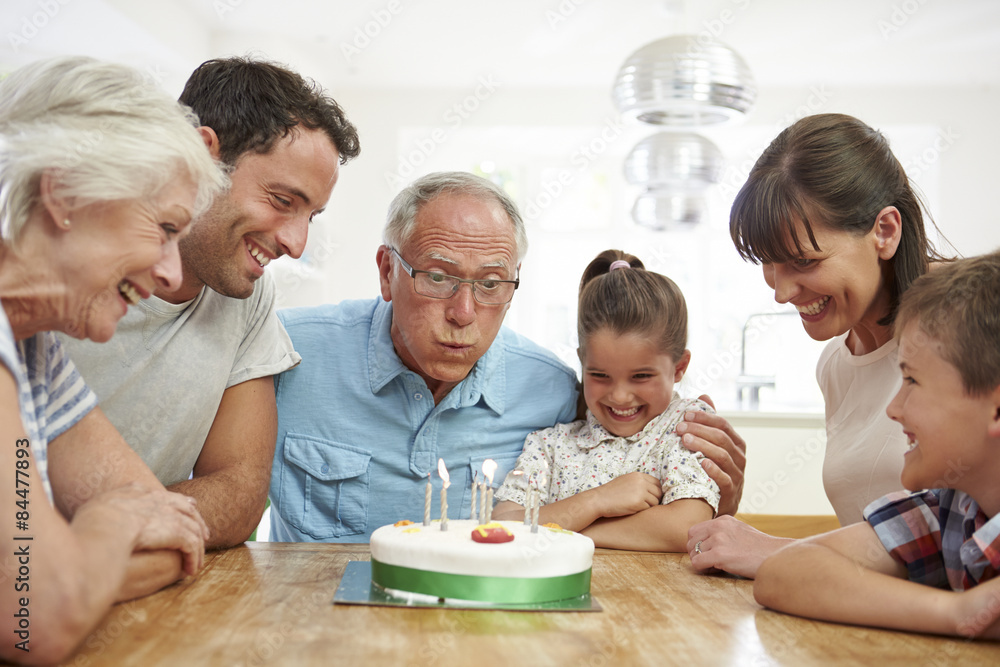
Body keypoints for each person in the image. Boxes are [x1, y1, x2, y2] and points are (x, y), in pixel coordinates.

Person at [58, 57, 360, 558]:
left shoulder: (246, 293)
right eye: (283, 199)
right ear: (201, 157)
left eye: (312, 214)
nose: (297, 244)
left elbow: (240, 496)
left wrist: (98, 545)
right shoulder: (46, 294)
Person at [0, 56, 224, 664]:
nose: (172, 271)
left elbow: (177, 536)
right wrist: (114, 522)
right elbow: (37, 618)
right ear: (65, 190)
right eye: (165, 228)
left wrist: (67, 573)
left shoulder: (32, 347)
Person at [688, 112, 950, 578]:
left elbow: (966, 540)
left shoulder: (970, 327)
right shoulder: (836, 363)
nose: (782, 292)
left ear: (884, 231)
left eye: (804, 261)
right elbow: (876, 535)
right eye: (770, 263)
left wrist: (778, 551)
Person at [754, 250, 1000, 639]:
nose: (894, 408)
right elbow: (783, 573)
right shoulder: (952, 508)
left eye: (913, 381)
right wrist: (958, 613)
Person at [492, 251, 720, 551]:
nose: (620, 396)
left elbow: (686, 528)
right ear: (581, 363)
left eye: (640, 376)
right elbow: (503, 527)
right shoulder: (549, 446)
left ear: (679, 368)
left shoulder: (686, 426)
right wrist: (597, 501)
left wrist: (566, 529)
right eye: (599, 375)